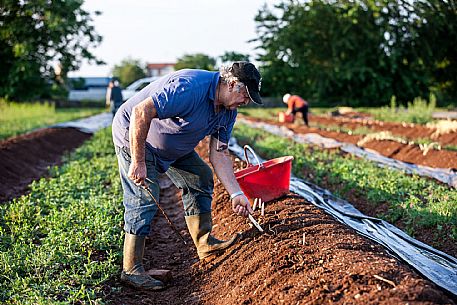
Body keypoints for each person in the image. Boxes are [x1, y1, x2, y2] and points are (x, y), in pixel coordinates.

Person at [112, 62, 263, 290]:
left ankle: (204, 243)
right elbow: (140, 112)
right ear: (232, 84)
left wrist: (236, 193)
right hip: (135, 136)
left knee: (199, 176)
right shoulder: (189, 88)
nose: (246, 101)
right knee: (144, 198)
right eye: (246, 95)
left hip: (172, 146)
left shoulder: (228, 112)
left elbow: (220, 154)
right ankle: (131, 269)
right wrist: (139, 161)